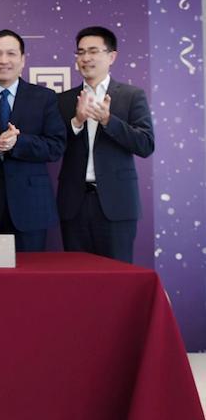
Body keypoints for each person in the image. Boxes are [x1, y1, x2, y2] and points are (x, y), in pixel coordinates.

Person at [57, 26, 155, 263]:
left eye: (93, 51)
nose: (86, 58)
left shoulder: (131, 95)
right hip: (74, 204)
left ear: (112, 56)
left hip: (117, 203)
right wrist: (77, 122)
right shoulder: (63, 99)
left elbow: (145, 144)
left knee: (117, 274)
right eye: (81, 52)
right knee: (77, 274)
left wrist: (108, 121)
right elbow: (54, 146)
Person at [0, 29, 66, 251]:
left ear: (23, 60)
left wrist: (18, 143)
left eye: (11, 53)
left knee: (31, 271)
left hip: (31, 207)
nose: (4, 60)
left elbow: (56, 146)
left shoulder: (44, 97)